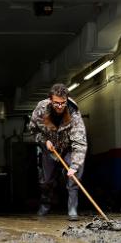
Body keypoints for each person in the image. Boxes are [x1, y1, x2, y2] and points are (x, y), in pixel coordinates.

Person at [27, 83, 88, 221]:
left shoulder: (74, 114)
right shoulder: (41, 109)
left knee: (74, 177)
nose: (60, 106)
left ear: (66, 100)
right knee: (47, 180)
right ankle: (45, 204)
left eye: (63, 103)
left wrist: (75, 165)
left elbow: (80, 142)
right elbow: (32, 130)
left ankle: (72, 209)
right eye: (56, 103)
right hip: (49, 149)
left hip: (68, 148)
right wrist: (44, 140)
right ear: (50, 100)